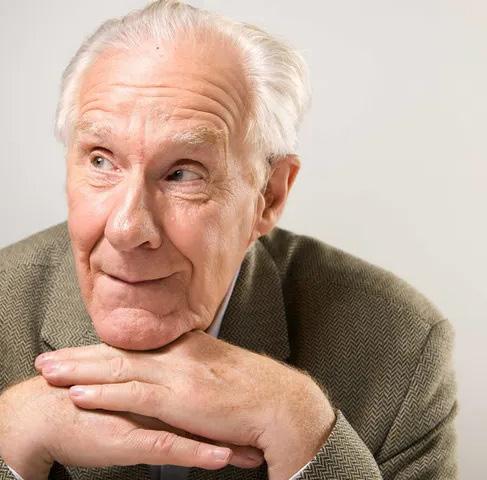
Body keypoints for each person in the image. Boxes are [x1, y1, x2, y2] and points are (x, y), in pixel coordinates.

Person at [0, 1, 458, 479]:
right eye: (101, 161)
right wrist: (8, 443)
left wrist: (306, 431)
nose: (127, 228)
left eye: (183, 174)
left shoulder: (401, 347)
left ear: (268, 196)